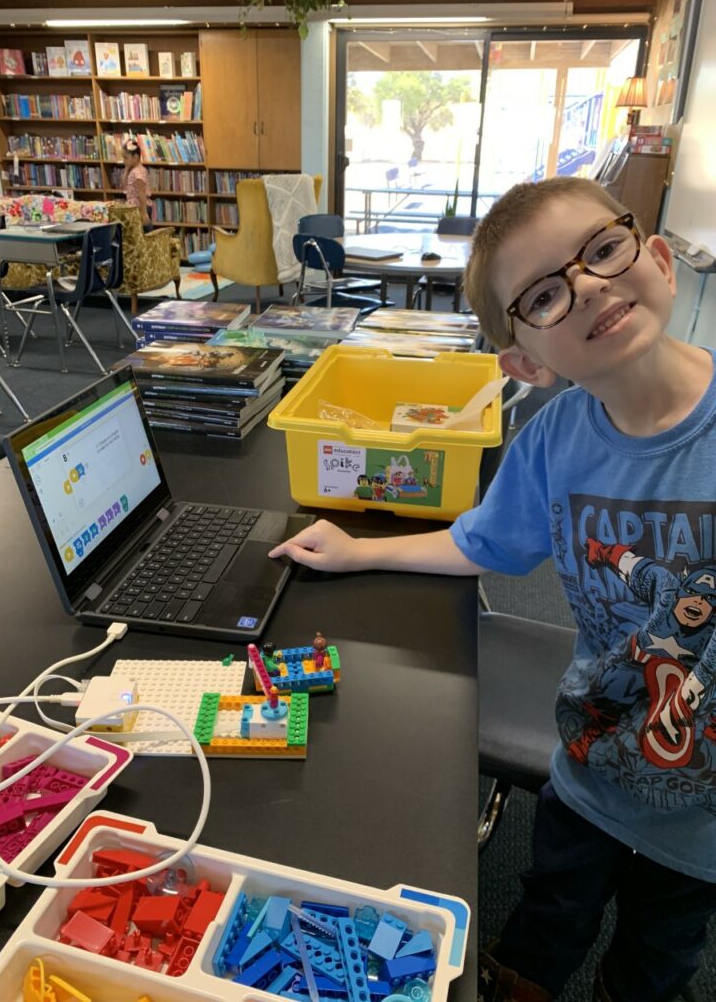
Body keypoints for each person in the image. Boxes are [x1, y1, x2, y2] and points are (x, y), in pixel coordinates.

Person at [268, 176, 716, 1002]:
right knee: (544, 926)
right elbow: (483, 542)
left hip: (705, 817)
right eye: (544, 294)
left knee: (658, 962)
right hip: (591, 767)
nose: (586, 286)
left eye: (605, 250)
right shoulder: (554, 442)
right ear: (527, 363)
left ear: (659, 257)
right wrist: (359, 549)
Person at [121, 139, 152, 231]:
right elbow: (124, 184)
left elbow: (141, 193)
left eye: (126, 158)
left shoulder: (138, 172)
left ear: (136, 157)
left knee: (143, 234)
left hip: (140, 208)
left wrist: (144, 213)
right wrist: (127, 169)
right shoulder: (133, 170)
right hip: (134, 208)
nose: (124, 161)